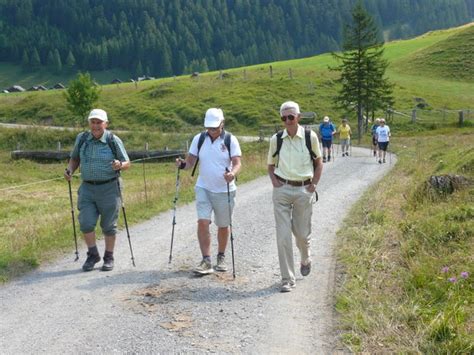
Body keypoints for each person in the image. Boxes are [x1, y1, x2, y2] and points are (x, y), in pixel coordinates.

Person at [176, 108, 242, 275]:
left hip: (224, 190)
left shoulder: (230, 139)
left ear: (222, 124)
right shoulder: (199, 139)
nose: (211, 131)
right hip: (203, 187)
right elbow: (190, 162)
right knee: (203, 222)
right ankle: (206, 260)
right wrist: (182, 165)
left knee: (223, 224)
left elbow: (237, 162)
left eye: (214, 128)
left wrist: (232, 174)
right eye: (209, 128)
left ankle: (221, 256)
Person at [64, 109, 130, 272]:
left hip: (110, 187)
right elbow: (75, 158)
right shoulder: (82, 139)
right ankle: (93, 254)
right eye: (93, 122)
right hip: (87, 187)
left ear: (105, 124)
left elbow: (127, 162)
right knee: (86, 222)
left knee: (108, 226)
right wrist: (70, 170)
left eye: (99, 122)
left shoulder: (113, 140)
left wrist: (119, 165)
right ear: (89, 123)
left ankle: (108, 257)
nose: (95, 126)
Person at [267, 101, 323, 292]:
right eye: (284, 118)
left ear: (298, 117)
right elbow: (270, 165)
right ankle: (287, 279)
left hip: (303, 190)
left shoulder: (310, 136)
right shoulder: (276, 139)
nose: (288, 121)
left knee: (301, 235)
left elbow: (319, 162)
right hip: (282, 190)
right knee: (283, 236)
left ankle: (305, 256)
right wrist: (275, 183)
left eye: (291, 117)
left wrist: (313, 185)